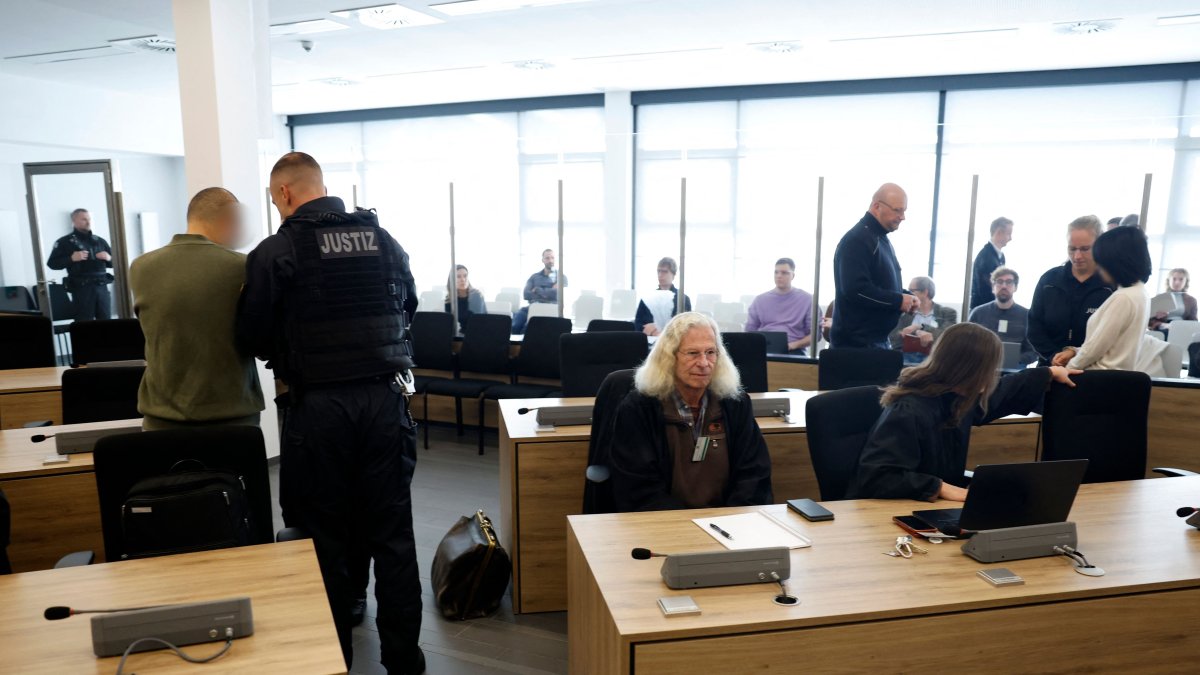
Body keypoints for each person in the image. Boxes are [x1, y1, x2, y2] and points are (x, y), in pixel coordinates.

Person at [236, 152, 424, 674]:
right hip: (386, 402)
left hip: (320, 408)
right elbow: (406, 308)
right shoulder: (384, 240)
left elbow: (251, 335)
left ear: (284, 194)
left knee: (326, 539)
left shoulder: (276, 251)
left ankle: (333, 658)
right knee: (392, 534)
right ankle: (405, 661)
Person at [846, 323, 1079, 502]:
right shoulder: (909, 410)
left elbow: (1002, 394)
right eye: (988, 370)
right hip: (888, 515)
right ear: (968, 370)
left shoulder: (957, 398)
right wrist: (942, 488)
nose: (991, 377)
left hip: (930, 509)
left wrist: (1048, 373)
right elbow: (878, 477)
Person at [609, 312, 773, 512]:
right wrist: (684, 525)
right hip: (663, 525)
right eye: (693, 353)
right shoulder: (640, 408)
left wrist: (732, 518)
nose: (704, 363)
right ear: (669, 358)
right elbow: (638, 487)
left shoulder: (734, 403)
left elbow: (754, 474)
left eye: (711, 352)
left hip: (728, 524)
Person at [130, 187, 264, 431]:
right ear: (229, 219)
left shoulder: (140, 267)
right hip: (233, 417)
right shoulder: (243, 267)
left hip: (161, 419)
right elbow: (261, 339)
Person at [1052, 226, 1152, 371]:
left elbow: (1095, 349)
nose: (1098, 267)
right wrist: (1074, 351)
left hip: (1098, 380)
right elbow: (1112, 347)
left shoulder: (1123, 298)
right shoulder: (1140, 292)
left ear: (1115, 262)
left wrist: (1066, 370)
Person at [832, 183, 919, 349]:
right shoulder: (857, 239)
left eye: (904, 211)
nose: (902, 217)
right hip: (856, 346)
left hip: (875, 341)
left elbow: (879, 285)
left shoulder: (878, 237)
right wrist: (898, 300)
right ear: (876, 206)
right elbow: (855, 289)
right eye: (897, 210)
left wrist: (905, 296)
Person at [1026, 215, 1113, 365]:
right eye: (1072, 249)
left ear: (1099, 245)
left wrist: (1077, 357)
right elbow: (1034, 327)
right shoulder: (1049, 281)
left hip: (1092, 371)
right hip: (1050, 368)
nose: (1077, 256)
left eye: (1085, 249)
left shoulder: (1110, 286)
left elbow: (1109, 337)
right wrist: (1053, 356)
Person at [46, 208, 114, 321]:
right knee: (84, 325)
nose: (88, 222)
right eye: (84, 219)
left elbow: (115, 263)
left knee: (106, 322)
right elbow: (52, 264)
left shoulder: (100, 241)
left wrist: (109, 257)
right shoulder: (64, 242)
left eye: (89, 219)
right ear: (74, 221)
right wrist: (71, 258)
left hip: (101, 287)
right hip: (82, 288)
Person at [968, 266, 1038, 366]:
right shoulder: (978, 313)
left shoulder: (1027, 316)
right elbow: (967, 344)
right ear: (993, 287)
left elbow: (1034, 350)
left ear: (1015, 287)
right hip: (981, 367)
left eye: (1009, 282)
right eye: (999, 282)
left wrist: (1014, 360)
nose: (1004, 286)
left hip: (1016, 370)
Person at [744, 258, 815, 353]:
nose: (779, 276)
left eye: (784, 273)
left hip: (794, 349)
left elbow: (815, 335)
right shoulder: (760, 300)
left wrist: (794, 345)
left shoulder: (807, 300)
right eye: (776, 272)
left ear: (792, 275)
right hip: (764, 348)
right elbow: (749, 331)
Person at [889, 276, 957, 364]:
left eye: (911, 291)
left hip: (936, 360)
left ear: (925, 292)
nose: (907, 294)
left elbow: (948, 337)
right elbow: (893, 339)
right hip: (907, 361)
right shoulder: (903, 312)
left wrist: (919, 327)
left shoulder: (947, 313)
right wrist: (904, 334)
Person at [511, 248, 566, 334]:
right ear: (543, 260)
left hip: (549, 308)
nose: (550, 260)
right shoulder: (534, 276)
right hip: (531, 306)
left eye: (552, 258)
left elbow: (557, 294)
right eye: (547, 258)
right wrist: (549, 291)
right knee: (515, 326)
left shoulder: (561, 277)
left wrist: (537, 289)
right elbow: (526, 294)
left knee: (526, 329)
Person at [634, 256, 691, 336]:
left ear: (673, 274)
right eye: (659, 271)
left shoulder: (682, 299)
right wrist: (652, 331)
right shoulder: (648, 298)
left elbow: (684, 326)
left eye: (665, 271)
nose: (660, 275)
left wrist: (657, 329)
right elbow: (637, 323)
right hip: (648, 340)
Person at [969, 216, 1012, 309]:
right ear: (999, 232)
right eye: (1009, 234)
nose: (1010, 238)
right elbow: (986, 290)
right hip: (983, 311)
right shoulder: (985, 257)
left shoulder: (1000, 256)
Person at [1148, 268, 1197, 332]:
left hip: (1182, 327)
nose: (1177, 282)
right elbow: (1149, 320)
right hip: (1163, 326)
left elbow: (1193, 321)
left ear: (1186, 282)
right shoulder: (1160, 298)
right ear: (1169, 280)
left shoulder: (1191, 300)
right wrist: (1160, 322)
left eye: (1181, 279)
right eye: (1174, 279)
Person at [444, 264, 486, 333]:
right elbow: (449, 323)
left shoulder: (476, 295)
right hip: (463, 333)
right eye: (458, 277)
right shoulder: (449, 299)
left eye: (465, 276)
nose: (463, 279)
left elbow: (475, 321)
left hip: (480, 332)